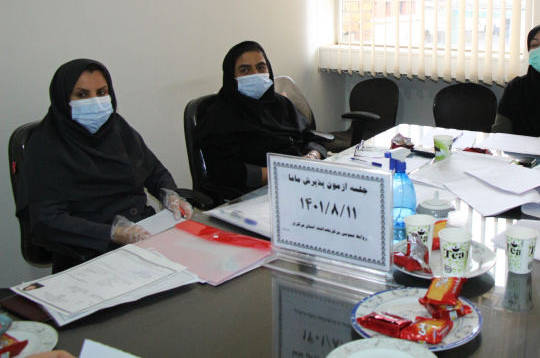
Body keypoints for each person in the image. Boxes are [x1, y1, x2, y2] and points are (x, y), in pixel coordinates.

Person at [15, 59, 192, 272]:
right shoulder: (45, 145)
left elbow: (155, 171)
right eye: (82, 95)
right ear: (63, 98)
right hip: (91, 252)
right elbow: (47, 220)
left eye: (101, 92)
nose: (95, 102)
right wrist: (112, 233)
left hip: (146, 235)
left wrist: (170, 195)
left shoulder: (117, 128)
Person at [198, 41, 327, 193]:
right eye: (245, 70)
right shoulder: (220, 116)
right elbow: (224, 171)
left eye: (261, 67)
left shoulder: (281, 104)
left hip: (303, 179)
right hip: (257, 191)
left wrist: (313, 156)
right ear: (231, 76)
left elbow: (310, 137)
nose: (255, 74)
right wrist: (282, 171)